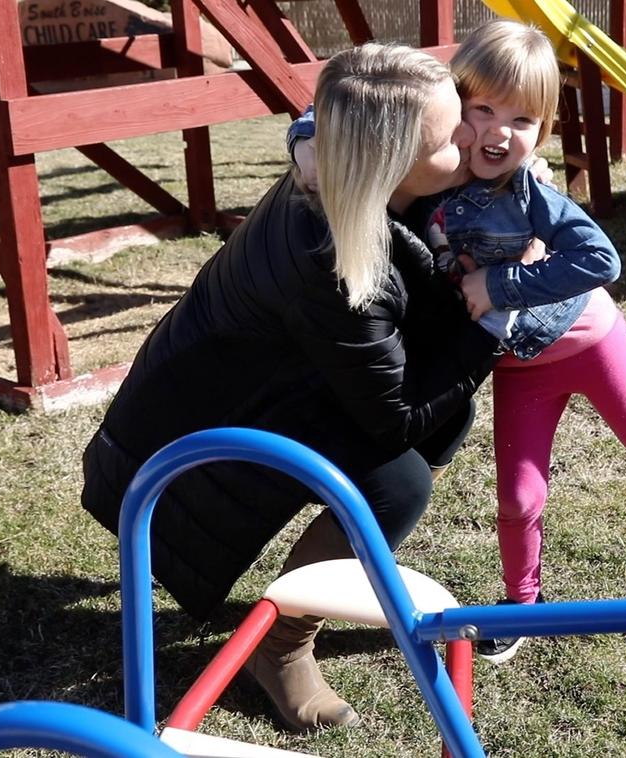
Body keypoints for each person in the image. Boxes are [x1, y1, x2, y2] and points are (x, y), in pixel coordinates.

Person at [288, 19, 626, 666]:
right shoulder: (440, 172)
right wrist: (305, 137)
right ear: (454, 104)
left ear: (544, 131)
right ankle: (521, 603)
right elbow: (349, 104)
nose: (500, 132)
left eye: (523, 120)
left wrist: (502, 283)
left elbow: (600, 259)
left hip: (590, 340)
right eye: (483, 110)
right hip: (520, 366)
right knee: (518, 496)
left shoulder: (533, 193)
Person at [80, 42, 505, 733]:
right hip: (198, 422)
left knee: (446, 412)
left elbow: (330, 110)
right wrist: (495, 324)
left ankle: (350, 560)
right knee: (396, 479)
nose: (470, 134)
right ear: (394, 162)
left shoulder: (340, 163)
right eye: (452, 131)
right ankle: (280, 648)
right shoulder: (336, 264)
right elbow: (393, 416)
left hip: (265, 374)